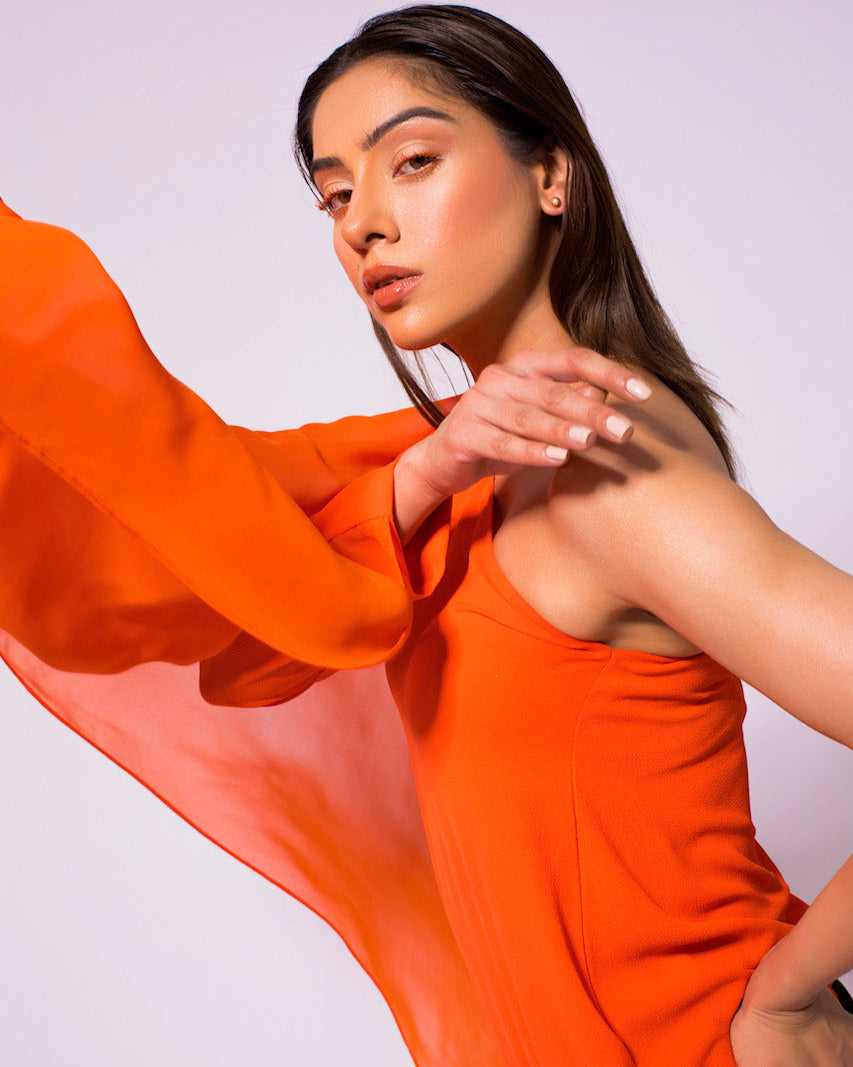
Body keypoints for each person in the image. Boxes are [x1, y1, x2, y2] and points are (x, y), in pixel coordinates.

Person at [0, 4, 850, 1066]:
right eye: (335, 194)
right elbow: (247, 628)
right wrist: (425, 474)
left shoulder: (610, 468)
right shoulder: (450, 463)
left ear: (552, 177)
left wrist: (784, 996)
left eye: (412, 161)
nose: (362, 224)